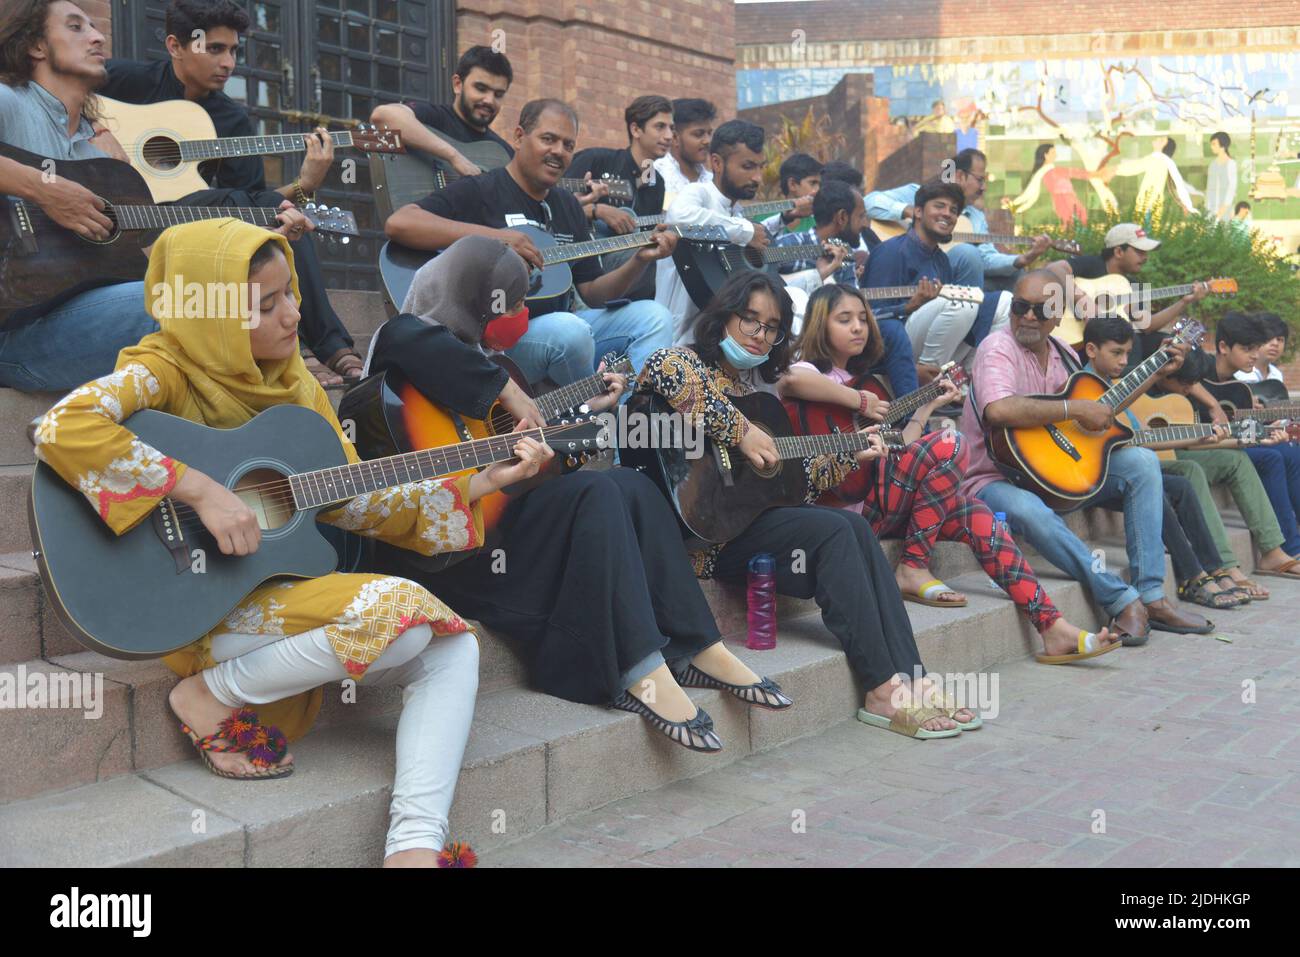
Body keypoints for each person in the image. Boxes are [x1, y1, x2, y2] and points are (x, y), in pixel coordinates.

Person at [31, 218, 542, 866]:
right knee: (400, 608)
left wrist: (476, 482)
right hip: (193, 605)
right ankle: (208, 692)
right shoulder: (163, 369)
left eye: (291, 293)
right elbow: (58, 426)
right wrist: (196, 488)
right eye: (265, 305)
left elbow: (352, 499)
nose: (293, 315)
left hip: (273, 596)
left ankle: (414, 845)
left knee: (447, 645)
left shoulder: (297, 385)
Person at [360, 236, 791, 752]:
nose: (519, 314)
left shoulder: (479, 361)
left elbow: (535, 462)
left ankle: (696, 644)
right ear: (472, 293)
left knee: (627, 483)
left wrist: (594, 413)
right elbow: (412, 338)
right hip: (448, 554)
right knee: (595, 493)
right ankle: (635, 665)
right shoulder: (404, 341)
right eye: (511, 301)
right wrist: (507, 388)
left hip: (500, 527)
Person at [639, 270, 983, 738]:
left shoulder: (756, 396)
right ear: (723, 317)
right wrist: (743, 433)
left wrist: (848, 452)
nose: (759, 335)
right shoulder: (685, 363)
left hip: (747, 523)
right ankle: (882, 688)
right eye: (749, 320)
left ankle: (913, 676)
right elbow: (663, 369)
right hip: (703, 539)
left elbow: (789, 486)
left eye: (772, 327)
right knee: (839, 531)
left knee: (852, 529)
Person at [778, 283, 1114, 659]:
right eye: (844, 320)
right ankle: (914, 565)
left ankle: (1052, 625)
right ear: (820, 326)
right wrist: (857, 400)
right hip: (844, 512)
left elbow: (899, 445)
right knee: (952, 443)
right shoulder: (814, 373)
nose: (858, 327)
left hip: (882, 501)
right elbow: (790, 379)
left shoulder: (867, 380)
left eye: (862, 319)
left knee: (977, 515)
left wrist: (927, 405)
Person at [100, 0, 363, 386]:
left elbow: (261, 206)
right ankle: (324, 345)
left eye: (234, 50)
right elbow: (60, 92)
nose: (229, 63)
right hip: (121, 220)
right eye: (215, 49)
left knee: (272, 208)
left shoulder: (233, 120)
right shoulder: (126, 81)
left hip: (187, 231)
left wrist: (306, 184)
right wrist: (97, 131)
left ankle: (323, 346)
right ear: (175, 46)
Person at [959, 265, 1211, 645]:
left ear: (1057, 316)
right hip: (994, 477)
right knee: (1028, 509)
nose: (1027, 316)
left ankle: (1153, 596)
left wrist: (1155, 373)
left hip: (1054, 472)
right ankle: (1119, 597)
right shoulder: (997, 347)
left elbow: (1099, 409)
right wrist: (1074, 410)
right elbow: (998, 410)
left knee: (1141, 463)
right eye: (1019, 306)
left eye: (1040, 310)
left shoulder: (1062, 353)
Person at [384, 98, 677, 385]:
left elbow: (593, 293)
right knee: (569, 330)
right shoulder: (482, 189)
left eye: (568, 145)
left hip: (563, 327)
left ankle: (631, 419)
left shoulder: (568, 206)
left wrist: (640, 259)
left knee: (656, 317)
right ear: (519, 136)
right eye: (548, 139)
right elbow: (400, 223)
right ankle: (591, 419)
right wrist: (497, 239)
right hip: (493, 339)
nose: (558, 152)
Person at [1080, 316, 1239, 617]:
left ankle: (1212, 568)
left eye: (1128, 354)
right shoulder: (1080, 387)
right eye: (1116, 353)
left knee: (1179, 485)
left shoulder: (1121, 388)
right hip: (1085, 475)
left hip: (1115, 473)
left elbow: (1142, 441)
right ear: (1090, 349)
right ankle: (1191, 576)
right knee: (1151, 482)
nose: (1124, 361)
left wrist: (1203, 436)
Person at [654, 119, 827, 342]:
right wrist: (745, 231)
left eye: (761, 167)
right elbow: (680, 217)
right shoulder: (699, 193)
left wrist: (781, 220)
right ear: (717, 163)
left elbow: (746, 238)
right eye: (748, 167)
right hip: (677, 341)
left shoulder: (735, 211)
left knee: (795, 301)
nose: (757, 177)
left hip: (723, 338)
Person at [1157, 347, 1300, 596]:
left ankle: (1272, 551)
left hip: (1177, 449)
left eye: (1194, 384)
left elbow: (1192, 440)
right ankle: (1226, 564)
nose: (1191, 390)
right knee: (1190, 470)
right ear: (1165, 374)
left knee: (1236, 460)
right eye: (1187, 384)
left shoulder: (1179, 399)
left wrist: (1254, 438)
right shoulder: (1141, 390)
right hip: (1154, 460)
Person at [772, 180, 914, 377]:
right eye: (862, 216)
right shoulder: (792, 244)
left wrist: (904, 308)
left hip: (836, 347)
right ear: (842, 217)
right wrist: (818, 275)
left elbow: (857, 309)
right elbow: (768, 286)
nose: (866, 224)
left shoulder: (846, 256)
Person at [865, 148, 1051, 291]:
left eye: (952, 210)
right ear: (960, 175)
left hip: (957, 277)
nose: (983, 187)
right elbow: (869, 202)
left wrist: (1024, 258)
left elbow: (986, 259)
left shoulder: (976, 217)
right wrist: (909, 211)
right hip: (913, 269)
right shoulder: (918, 194)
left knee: (1018, 274)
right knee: (967, 253)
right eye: (980, 179)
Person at [860, 179, 982, 386]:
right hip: (888, 345)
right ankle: (929, 385)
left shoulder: (941, 260)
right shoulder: (891, 252)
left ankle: (969, 384)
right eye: (939, 206)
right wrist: (909, 306)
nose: (947, 214)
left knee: (1002, 305)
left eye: (953, 210)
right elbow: (869, 318)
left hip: (926, 340)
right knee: (960, 303)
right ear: (918, 212)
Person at [567, 94, 673, 301]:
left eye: (671, 128)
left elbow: (645, 234)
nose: (669, 135)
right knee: (663, 263)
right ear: (636, 130)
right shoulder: (596, 159)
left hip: (630, 266)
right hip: (588, 264)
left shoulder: (656, 183)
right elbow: (552, 207)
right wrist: (596, 210)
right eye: (660, 127)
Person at [1063, 222, 1209, 363]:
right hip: (1074, 336)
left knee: (1171, 345)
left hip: (1105, 349)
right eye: (1139, 252)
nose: (1145, 257)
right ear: (1119, 251)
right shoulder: (1091, 265)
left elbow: (1147, 325)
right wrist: (1083, 300)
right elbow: (1054, 270)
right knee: (1133, 340)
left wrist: (1185, 301)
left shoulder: (1133, 285)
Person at [370, 44, 516, 181]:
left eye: (498, 94)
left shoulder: (505, 155)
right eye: (481, 88)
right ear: (458, 84)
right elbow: (382, 116)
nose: (489, 100)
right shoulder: (433, 117)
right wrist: (454, 157)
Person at [1002, 142, 1094, 226]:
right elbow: (1030, 195)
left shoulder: (1046, 171)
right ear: (1046, 155)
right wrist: (1014, 206)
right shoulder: (1043, 172)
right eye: (1053, 153)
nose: (1056, 155)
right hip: (1063, 203)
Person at [652, 97, 715, 198]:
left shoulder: (712, 181)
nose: (707, 141)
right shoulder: (655, 174)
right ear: (675, 137)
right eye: (699, 134)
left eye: (709, 133)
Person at [757, 151, 821, 237]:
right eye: (813, 183)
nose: (818, 190)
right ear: (792, 184)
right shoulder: (761, 217)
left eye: (820, 185)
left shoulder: (819, 222)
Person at [1234, 312, 1287, 384]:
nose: (1275, 343)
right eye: (1269, 337)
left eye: (1279, 339)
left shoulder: (1276, 375)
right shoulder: (1237, 373)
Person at [1205, 132, 1239, 222]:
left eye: (1214, 144)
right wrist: (1207, 209)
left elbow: (1232, 187)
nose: (1211, 147)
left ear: (1223, 145)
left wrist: (1223, 208)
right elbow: (1209, 188)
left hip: (1225, 210)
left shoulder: (1231, 164)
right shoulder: (1212, 164)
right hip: (1211, 210)